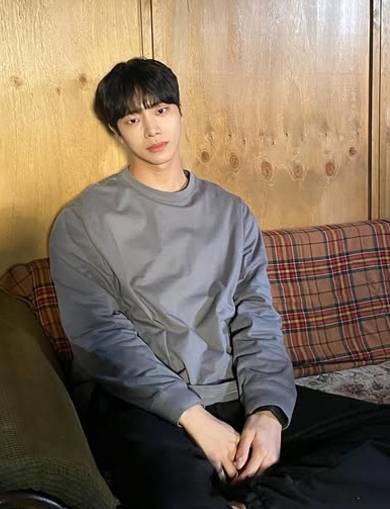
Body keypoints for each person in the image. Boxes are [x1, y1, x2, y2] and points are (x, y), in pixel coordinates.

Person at [49, 58, 390, 509]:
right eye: (133, 119)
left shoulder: (232, 213)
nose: (152, 129)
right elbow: (102, 340)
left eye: (161, 110)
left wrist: (268, 412)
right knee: (174, 496)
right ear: (116, 131)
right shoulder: (83, 222)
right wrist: (195, 420)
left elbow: (257, 319)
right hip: (144, 407)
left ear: (180, 112)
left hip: (235, 393)